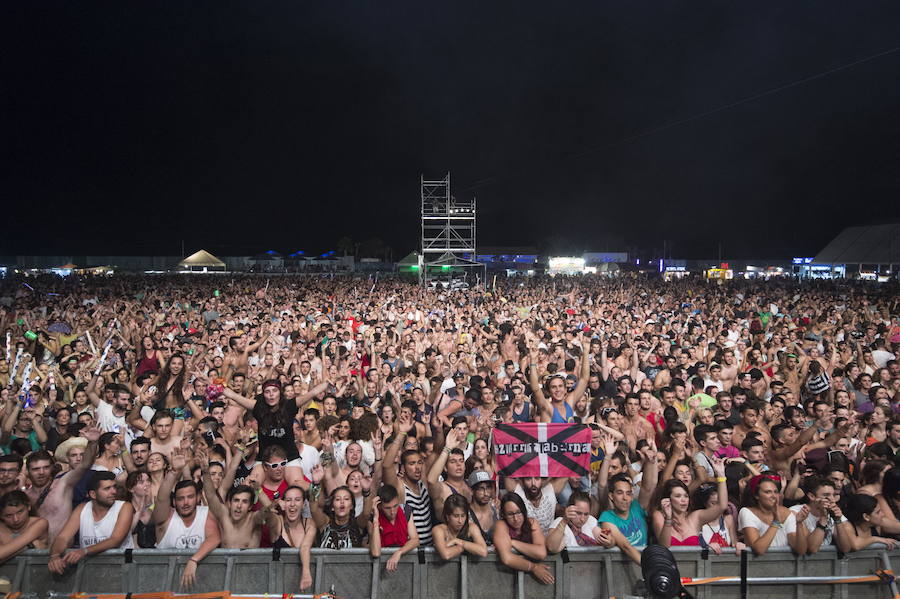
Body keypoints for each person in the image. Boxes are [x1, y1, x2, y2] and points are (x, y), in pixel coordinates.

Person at [152, 448, 221, 589]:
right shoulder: (165, 518)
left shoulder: (206, 513)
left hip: (201, 586)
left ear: (197, 498)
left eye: (190, 497)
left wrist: (193, 560)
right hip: (164, 586)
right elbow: (161, 498)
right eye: (180, 499)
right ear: (174, 502)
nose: (185, 503)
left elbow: (214, 538)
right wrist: (173, 472)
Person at [48, 471, 135, 574]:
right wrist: (55, 556)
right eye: (107, 489)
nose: (114, 491)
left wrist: (84, 551)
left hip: (121, 570)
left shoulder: (125, 507)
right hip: (91, 573)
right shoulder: (81, 509)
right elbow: (63, 537)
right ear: (93, 494)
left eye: (114, 487)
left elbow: (115, 540)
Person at [493, 493, 553, 585]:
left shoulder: (532, 522)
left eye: (518, 512)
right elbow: (507, 558)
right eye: (510, 514)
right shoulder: (501, 525)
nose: (516, 518)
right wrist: (534, 567)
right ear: (504, 515)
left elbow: (541, 553)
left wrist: (513, 543)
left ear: (524, 511)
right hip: (506, 579)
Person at [739, 475, 806, 555]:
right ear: (756, 496)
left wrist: (799, 524)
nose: (774, 496)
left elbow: (801, 550)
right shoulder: (746, 512)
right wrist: (776, 522)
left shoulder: (787, 513)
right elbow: (759, 549)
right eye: (768, 492)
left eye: (776, 492)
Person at [267, 485, 314, 591]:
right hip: (278, 586)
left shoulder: (308, 523)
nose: (292, 504)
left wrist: (306, 573)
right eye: (288, 500)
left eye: (297, 500)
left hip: (305, 587)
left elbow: (305, 547)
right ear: (283, 504)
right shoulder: (278, 521)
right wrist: (272, 506)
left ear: (303, 504)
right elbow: (268, 518)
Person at [371, 484, 420, 572]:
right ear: (380, 506)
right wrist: (375, 520)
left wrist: (399, 552)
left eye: (395, 506)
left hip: (404, 562)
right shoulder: (373, 517)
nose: (392, 512)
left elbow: (415, 540)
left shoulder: (405, 510)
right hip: (381, 566)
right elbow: (376, 552)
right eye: (387, 508)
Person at [432, 494, 488, 559]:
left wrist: (458, 542)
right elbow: (446, 555)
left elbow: (483, 552)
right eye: (456, 516)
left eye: (463, 516)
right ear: (447, 517)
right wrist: (465, 547)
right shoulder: (439, 530)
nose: (460, 521)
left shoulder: (472, 527)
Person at [0, 491, 49, 563]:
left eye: (20, 512)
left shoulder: (40, 523)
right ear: (1, 516)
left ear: (28, 506)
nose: (16, 519)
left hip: (35, 570)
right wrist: (30, 546)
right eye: (8, 516)